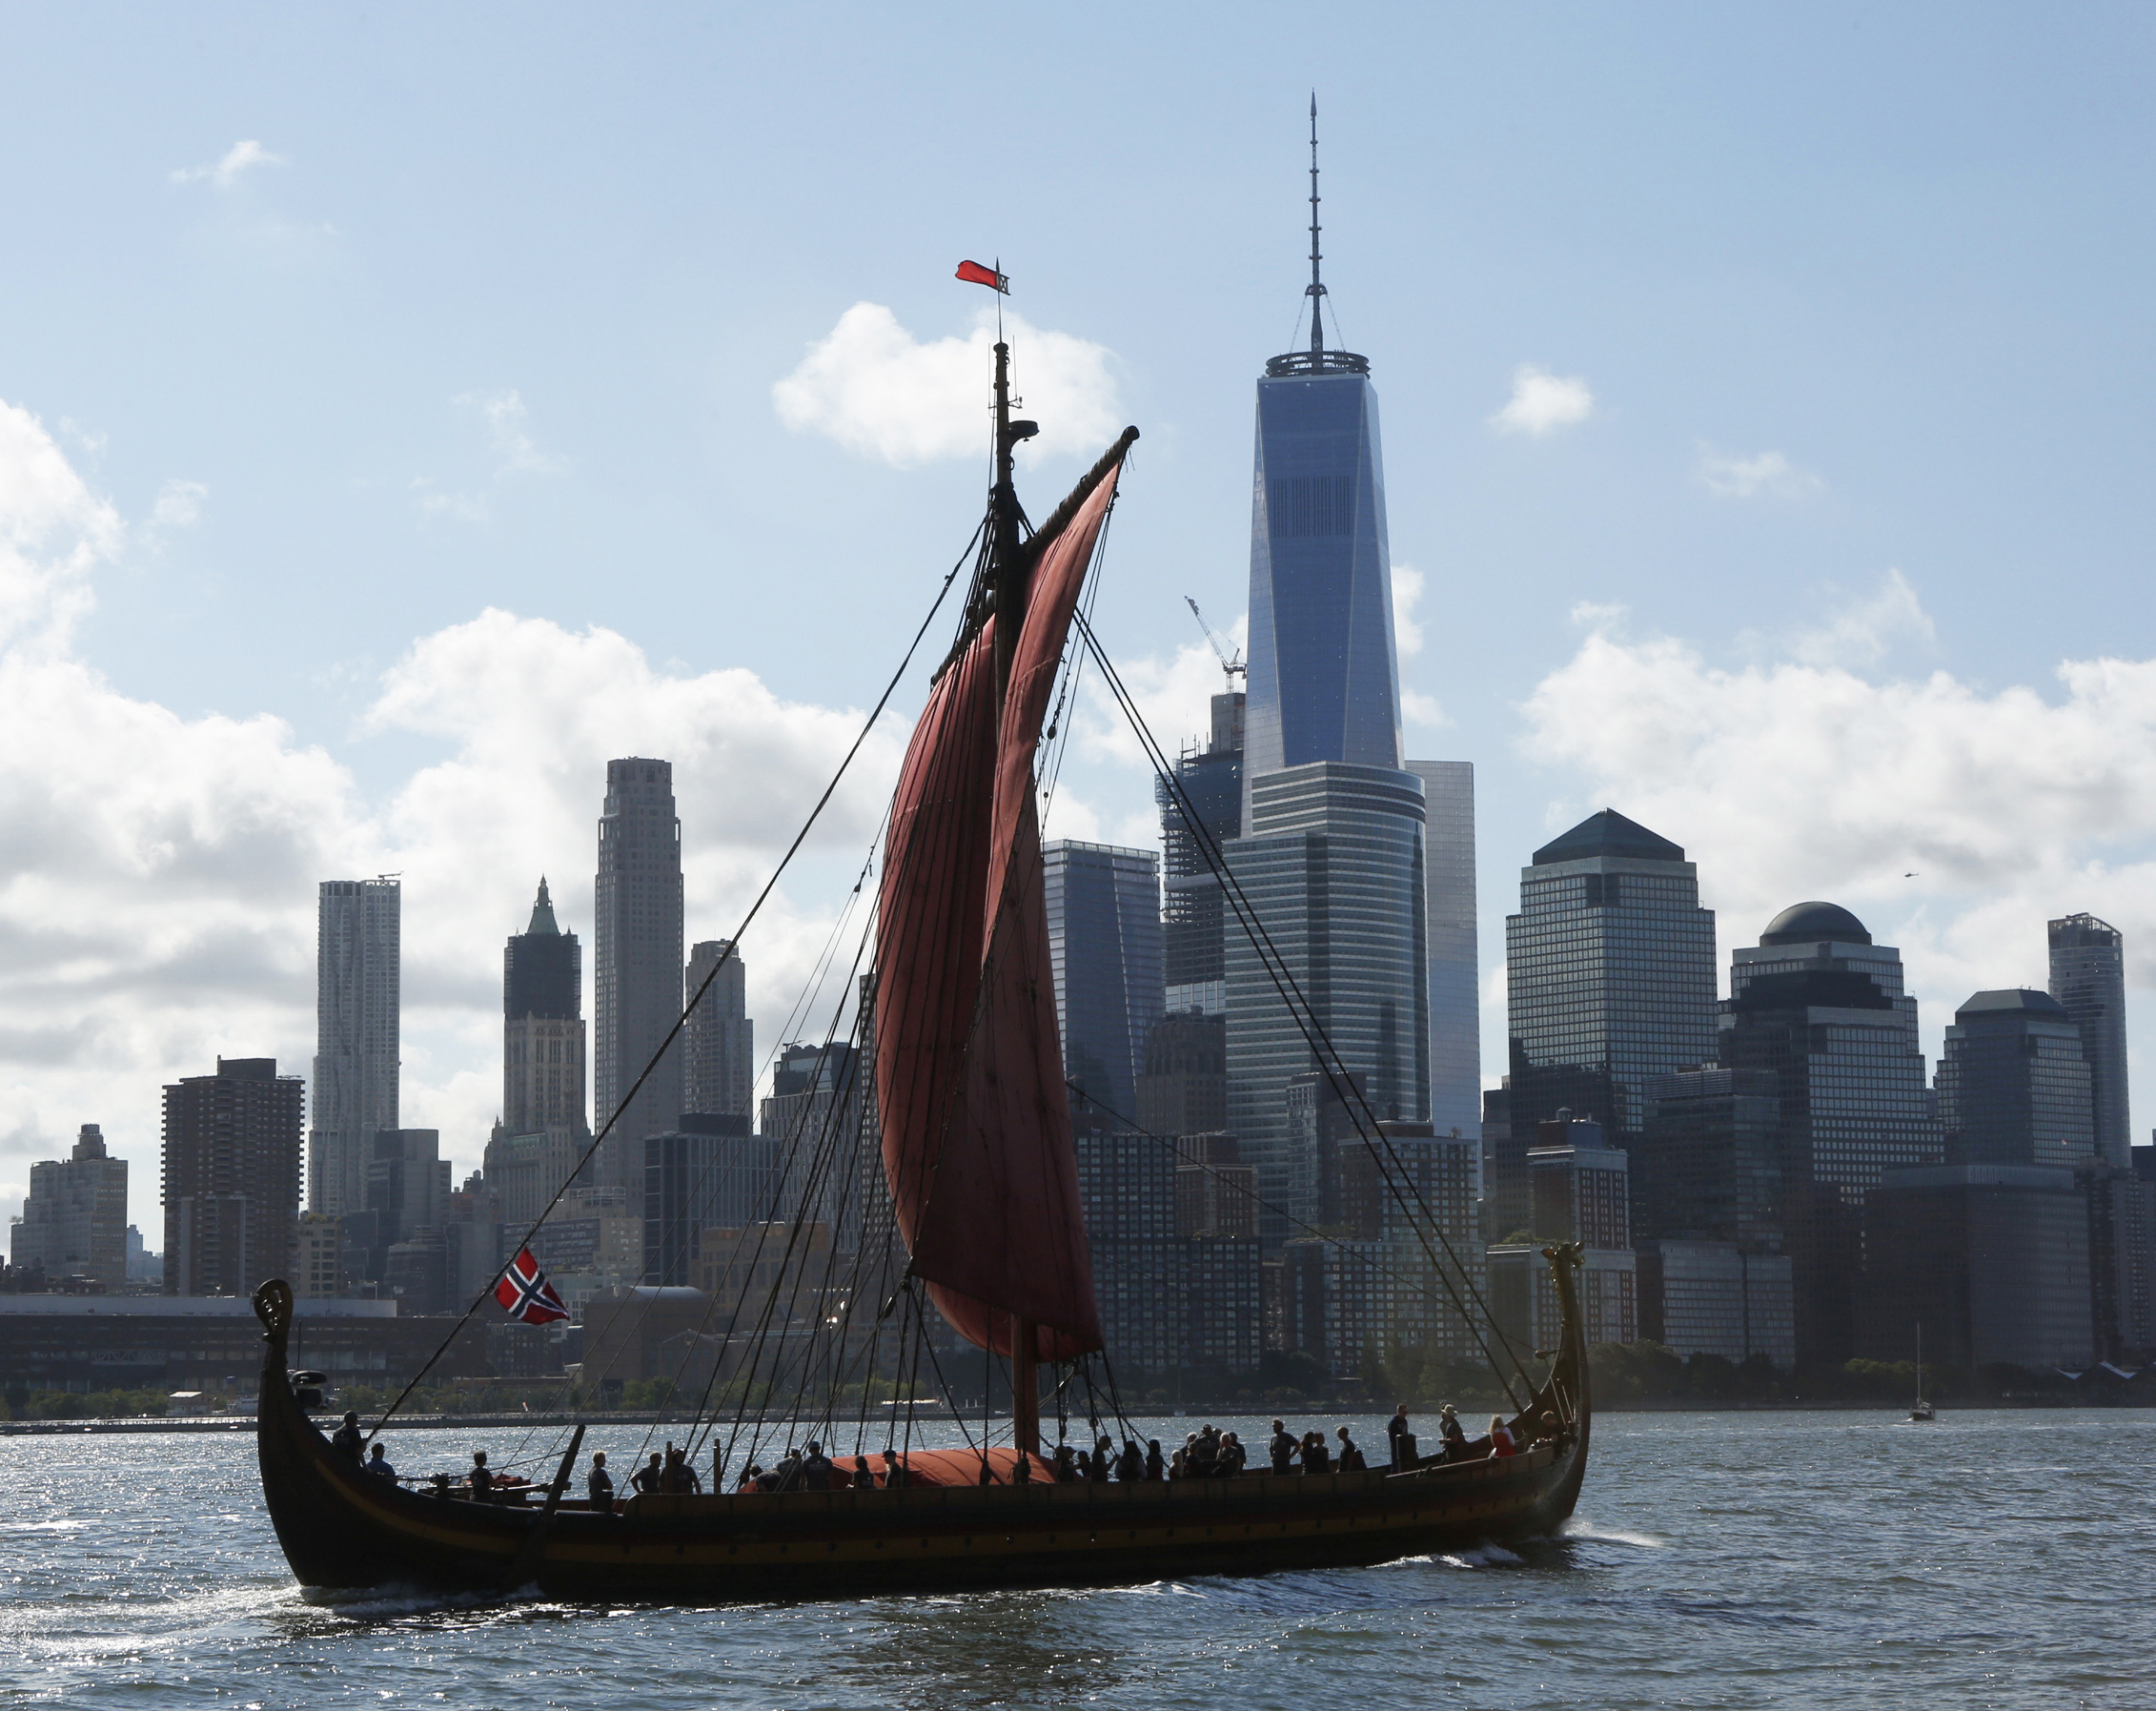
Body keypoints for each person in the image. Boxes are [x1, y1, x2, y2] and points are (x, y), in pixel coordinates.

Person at [1385, 1403, 1414, 1471]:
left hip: (1405, 1447)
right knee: (1396, 1464)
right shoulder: (1393, 1423)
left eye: (1406, 1412)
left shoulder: (1404, 1421)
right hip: (1396, 1447)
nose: (1405, 1414)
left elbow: (1405, 1432)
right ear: (1399, 1412)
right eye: (1404, 1412)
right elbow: (1392, 1438)